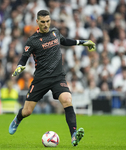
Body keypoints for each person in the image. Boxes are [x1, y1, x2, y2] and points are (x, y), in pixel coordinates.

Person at [8, 10, 95, 147]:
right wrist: (20, 66)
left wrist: (84, 42)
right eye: (42, 22)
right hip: (41, 79)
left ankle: (73, 135)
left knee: (67, 100)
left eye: (47, 21)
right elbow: (24, 57)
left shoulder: (55, 32)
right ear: (37, 22)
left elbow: (65, 41)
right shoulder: (32, 40)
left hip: (57, 77)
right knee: (27, 111)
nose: (46, 24)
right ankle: (17, 119)